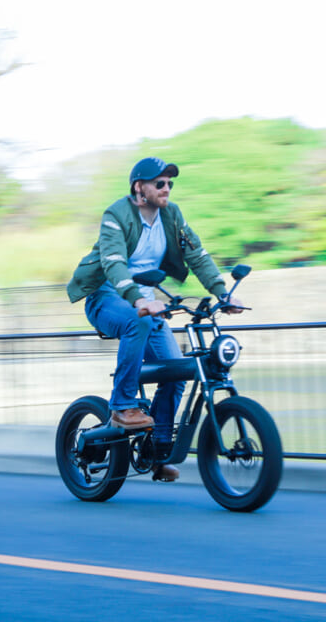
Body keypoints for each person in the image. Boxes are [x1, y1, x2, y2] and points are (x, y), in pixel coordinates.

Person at [67, 156, 241, 482]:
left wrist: (222, 293)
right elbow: (114, 263)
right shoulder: (116, 215)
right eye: (160, 183)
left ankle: (158, 452)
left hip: (146, 299)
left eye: (170, 184)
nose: (167, 189)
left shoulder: (171, 216)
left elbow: (197, 254)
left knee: (176, 372)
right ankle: (121, 407)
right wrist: (138, 300)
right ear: (139, 188)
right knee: (139, 321)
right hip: (107, 296)